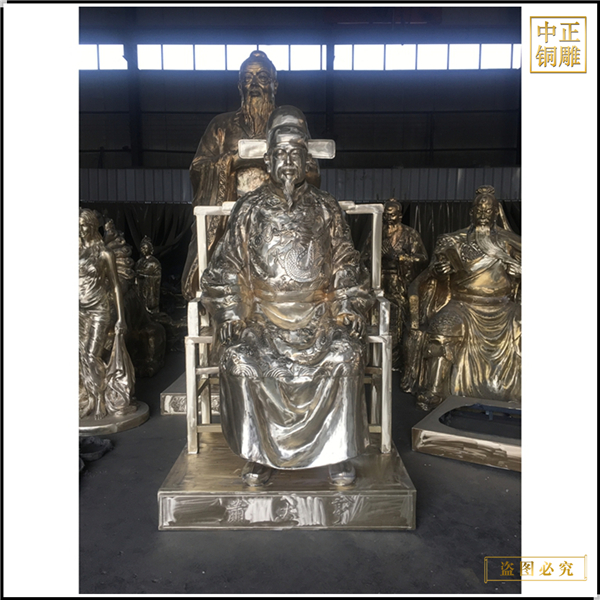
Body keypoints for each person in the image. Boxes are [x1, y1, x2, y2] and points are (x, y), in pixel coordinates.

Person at [200, 106, 373, 487]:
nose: (289, 162)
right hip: (262, 321)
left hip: (318, 319)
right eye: (281, 154)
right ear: (268, 160)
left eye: (296, 153)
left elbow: (346, 262)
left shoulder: (326, 208)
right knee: (240, 360)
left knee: (345, 355)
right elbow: (226, 268)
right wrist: (232, 313)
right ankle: (258, 453)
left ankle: (336, 452)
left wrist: (347, 306)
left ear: (307, 159)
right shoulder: (249, 209)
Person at [182, 50, 320, 300]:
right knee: (228, 282)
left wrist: (284, 163)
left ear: (274, 84)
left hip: (281, 218)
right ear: (240, 85)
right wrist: (233, 161)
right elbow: (199, 167)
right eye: (248, 78)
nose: (254, 84)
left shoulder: (290, 125)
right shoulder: (221, 126)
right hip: (231, 218)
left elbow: (313, 173)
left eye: (262, 77)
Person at [403, 186, 521, 411]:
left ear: (496, 212)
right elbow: (430, 276)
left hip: (503, 307)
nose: (483, 214)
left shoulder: (510, 242)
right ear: (471, 212)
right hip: (463, 304)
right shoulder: (453, 240)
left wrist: (519, 272)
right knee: (443, 328)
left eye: (488, 210)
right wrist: (441, 271)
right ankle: (435, 389)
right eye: (479, 210)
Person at [79, 209, 136, 420]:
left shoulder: (104, 254)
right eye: (78, 226)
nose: (80, 230)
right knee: (79, 356)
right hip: (79, 311)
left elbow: (115, 286)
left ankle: (100, 399)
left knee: (90, 355)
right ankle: (88, 399)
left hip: (98, 310)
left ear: (93, 226)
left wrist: (121, 317)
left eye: (84, 225)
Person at [380, 200, 428, 367]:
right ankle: (380, 361)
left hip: (400, 284)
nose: (389, 218)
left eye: (392, 215)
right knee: (379, 322)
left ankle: (398, 362)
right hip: (380, 283)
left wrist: (400, 258)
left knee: (399, 323)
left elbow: (423, 259)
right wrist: (377, 255)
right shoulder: (376, 233)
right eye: (386, 214)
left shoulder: (410, 234)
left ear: (400, 216)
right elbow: (363, 257)